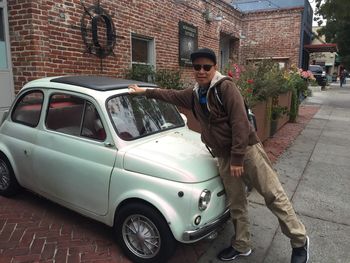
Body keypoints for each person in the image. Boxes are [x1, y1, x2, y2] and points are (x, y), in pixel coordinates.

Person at [128, 48, 309, 263]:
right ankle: (242, 244)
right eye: (197, 67)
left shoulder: (226, 88)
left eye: (207, 67)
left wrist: (237, 158)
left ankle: (299, 241)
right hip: (224, 157)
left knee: (273, 195)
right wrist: (144, 92)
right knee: (236, 202)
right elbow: (170, 95)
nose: (202, 71)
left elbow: (240, 123)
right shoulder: (195, 95)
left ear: (215, 68)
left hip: (247, 152)